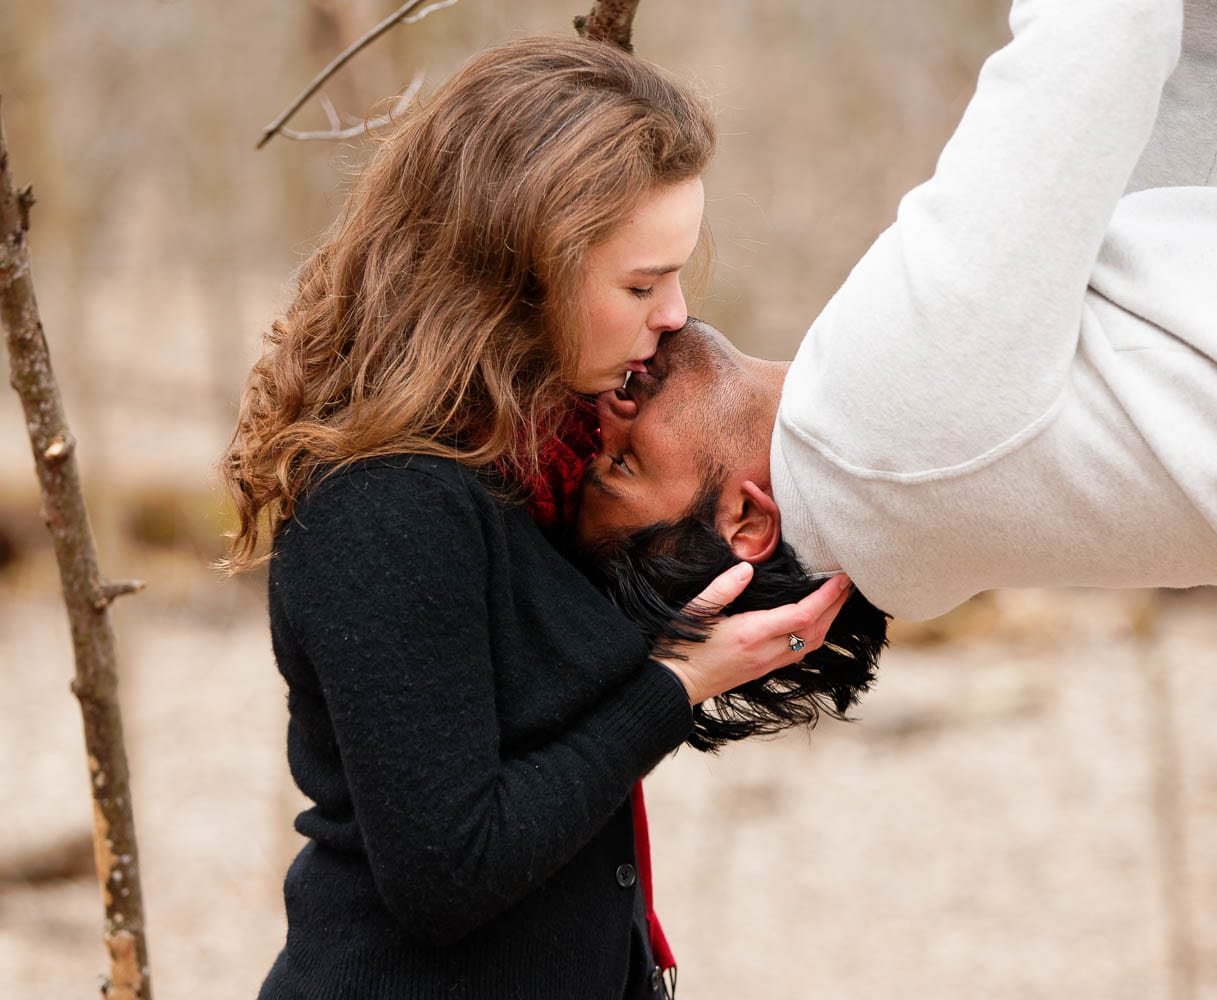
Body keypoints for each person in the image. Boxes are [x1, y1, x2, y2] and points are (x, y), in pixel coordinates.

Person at [574, 0, 1217, 678]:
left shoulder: (904, 490)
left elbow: (1174, 85)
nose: (606, 418)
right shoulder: (872, 423)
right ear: (747, 522)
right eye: (621, 466)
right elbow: (1102, 37)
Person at [220, 37, 859, 1000]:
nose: (676, 314)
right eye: (641, 286)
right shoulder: (388, 502)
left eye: (676, 275)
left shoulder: (542, 464)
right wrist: (677, 684)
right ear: (523, 272)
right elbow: (448, 873)